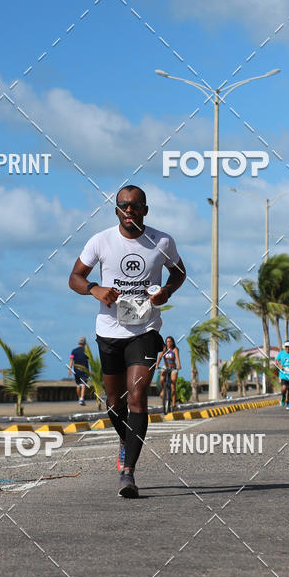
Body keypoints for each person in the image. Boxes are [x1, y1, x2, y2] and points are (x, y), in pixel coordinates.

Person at [68, 185, 186, 498]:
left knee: (137, 396)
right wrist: (95, 289)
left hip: (145, 331)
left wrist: (167, 291)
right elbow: (74, 277)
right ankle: (126, 440)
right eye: (123, 206)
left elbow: (179, 273)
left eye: (135, 206)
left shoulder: (162, 241)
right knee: (115, 402)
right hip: (109, 331)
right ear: (116, 210)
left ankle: (128, 472)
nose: (129, 210)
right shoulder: (101, 241)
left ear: (145, 209)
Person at [156, 336, 181, 409]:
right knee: (161, 378)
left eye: (170, 341)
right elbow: (160, 357)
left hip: (173, 368)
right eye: (167, 341)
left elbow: (177, 358)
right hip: (165, 367)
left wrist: (179, 365)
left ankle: (173, 403)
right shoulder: (164, 349)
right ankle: (163, 390)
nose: (168, 343)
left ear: (173, 342)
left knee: (173, 386)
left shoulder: (175, 350)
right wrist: (157, 364)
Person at [68, 336, 89, 405]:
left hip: (76, 370)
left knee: (78, 385)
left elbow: (71, 360)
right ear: (85, 343)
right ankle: (82, 398)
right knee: (83, 385)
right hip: (84, 370)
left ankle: (80, 398)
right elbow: (89, 361)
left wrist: (70, 369)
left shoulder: (74, 351)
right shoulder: (86, 351)